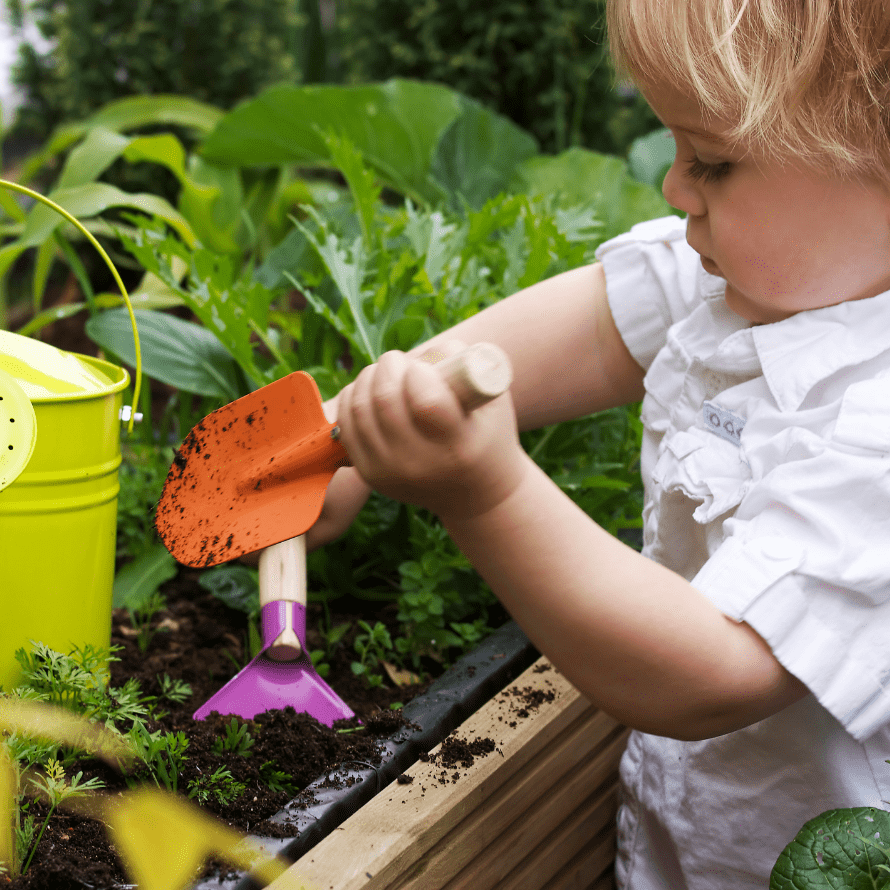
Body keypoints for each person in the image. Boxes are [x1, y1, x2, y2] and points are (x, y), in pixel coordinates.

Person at [304, 1, 890, 886]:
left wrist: (485, 492)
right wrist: (345, 434)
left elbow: (713, 672)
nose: (673, 188)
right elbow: (577, 333)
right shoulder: (741, 276)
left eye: (715, 161)